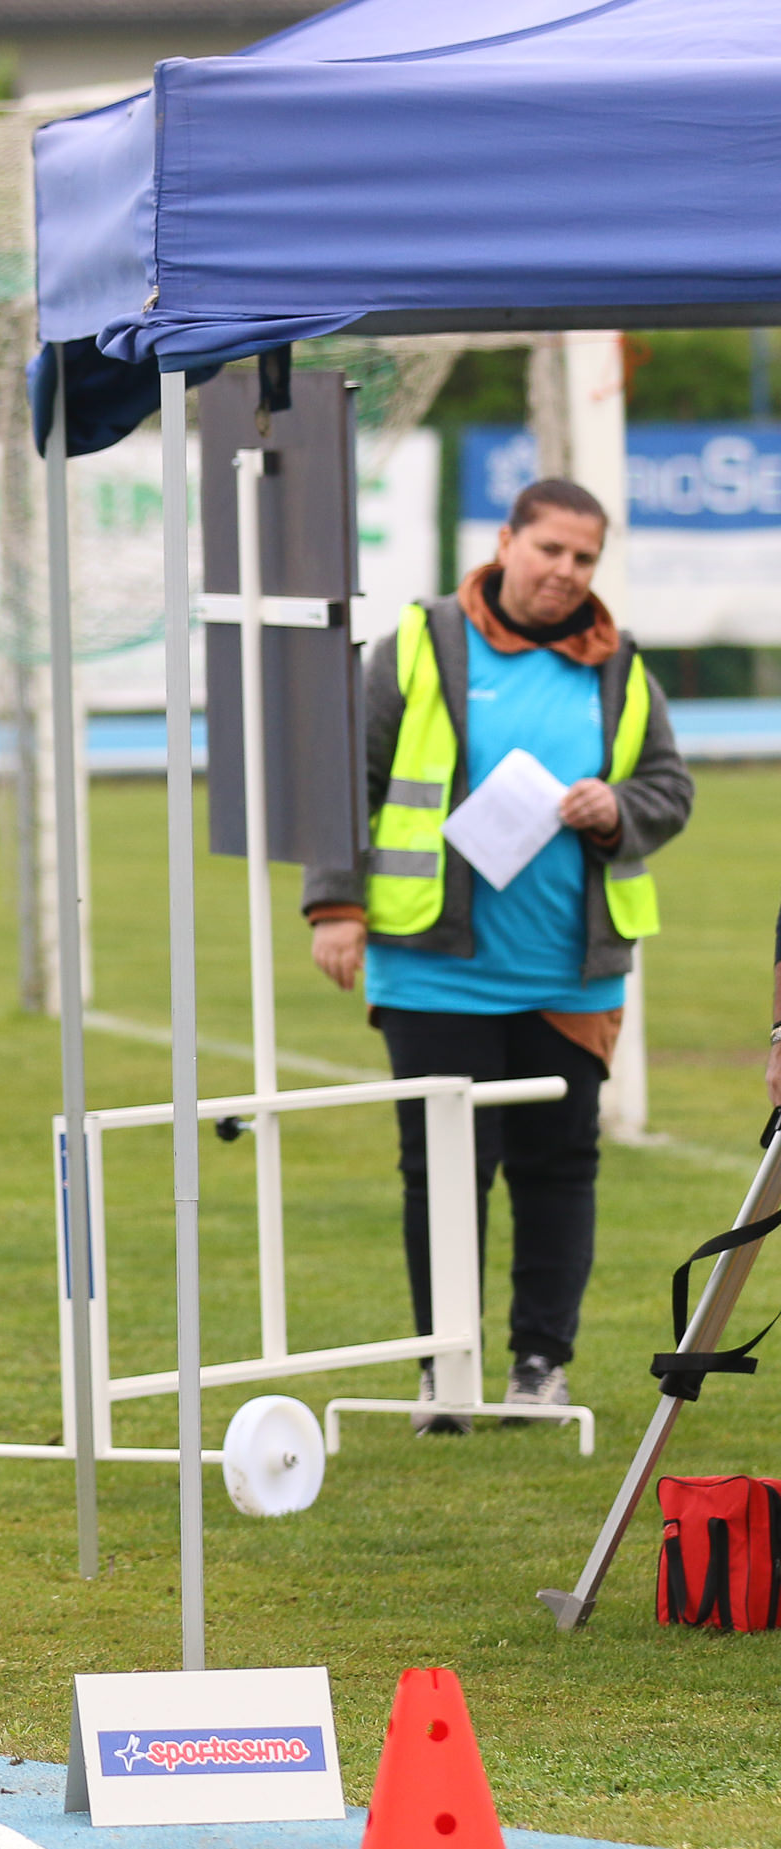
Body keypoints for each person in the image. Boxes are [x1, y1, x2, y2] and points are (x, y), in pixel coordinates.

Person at [303, 477, 691, 1433]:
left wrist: (617, 808)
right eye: (550, 548)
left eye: (585, 557)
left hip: (570, 974)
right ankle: (445, 1373)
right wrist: (335, 904)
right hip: (433, 966)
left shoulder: (619, 666)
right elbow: (345, 776)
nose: (566, 571)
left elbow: (669, 788)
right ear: (506, 541)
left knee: (559, 1169)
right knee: (441, 1171)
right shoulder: (420, 643)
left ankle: (539, 1368)